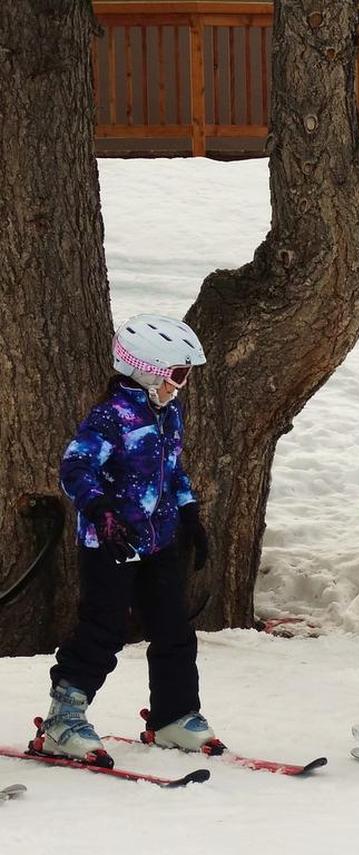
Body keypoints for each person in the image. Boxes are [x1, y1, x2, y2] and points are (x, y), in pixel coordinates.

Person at [34, 314, 215, 767]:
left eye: (185, 375)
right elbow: (75, 469)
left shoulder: (167, 412)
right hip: (110, 542)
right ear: (146, 369)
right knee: (103, 630)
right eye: (177, 374)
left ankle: (173, 715)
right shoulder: (110, 417)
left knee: (174, 627)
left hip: (159, 541)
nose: (181, 385)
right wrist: (101, 511)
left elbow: (172, 470)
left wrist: (189, 511)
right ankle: (63, 721)